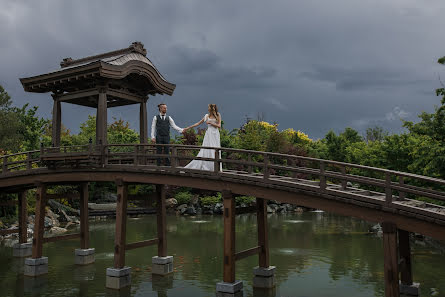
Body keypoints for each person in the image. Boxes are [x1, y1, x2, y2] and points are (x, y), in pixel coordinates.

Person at [183, 104, 222, 171]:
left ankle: (215, 167)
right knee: (207, 148)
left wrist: (211, 123)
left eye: (209, 108)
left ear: (212, 108)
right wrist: (188, 128)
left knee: (215, 148)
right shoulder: (207, 116)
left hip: (215, 134)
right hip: (209, 134)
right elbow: (198, 123)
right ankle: (208, 166)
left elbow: (219, 125)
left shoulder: (218, 115)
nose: (208, 109)